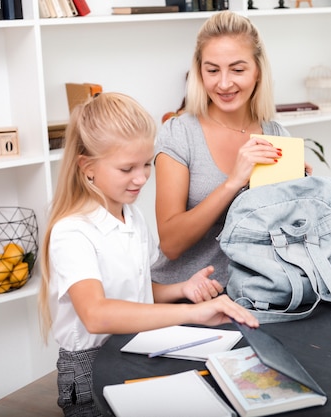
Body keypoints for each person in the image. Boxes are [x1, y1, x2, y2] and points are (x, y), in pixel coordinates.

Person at [37, 92, 259, 417]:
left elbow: (136, 293)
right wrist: (192, 313)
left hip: (136, 348)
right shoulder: (72, 231)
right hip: (90, 367)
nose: (141, 178)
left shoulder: (131, 216)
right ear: (87, 167)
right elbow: (97, 314)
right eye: (127, 168)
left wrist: (181, 290)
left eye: (145, 164)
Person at [153, 11, 312, 286]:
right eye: (212, 70)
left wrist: (301, 193)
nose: (224, 83)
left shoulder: (277, 136)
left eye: (237, 70)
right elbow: (171, 244)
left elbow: (285, 237)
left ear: (258, 71)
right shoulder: (179, 134)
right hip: (186, 299)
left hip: (258, 296)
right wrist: (234, 183)